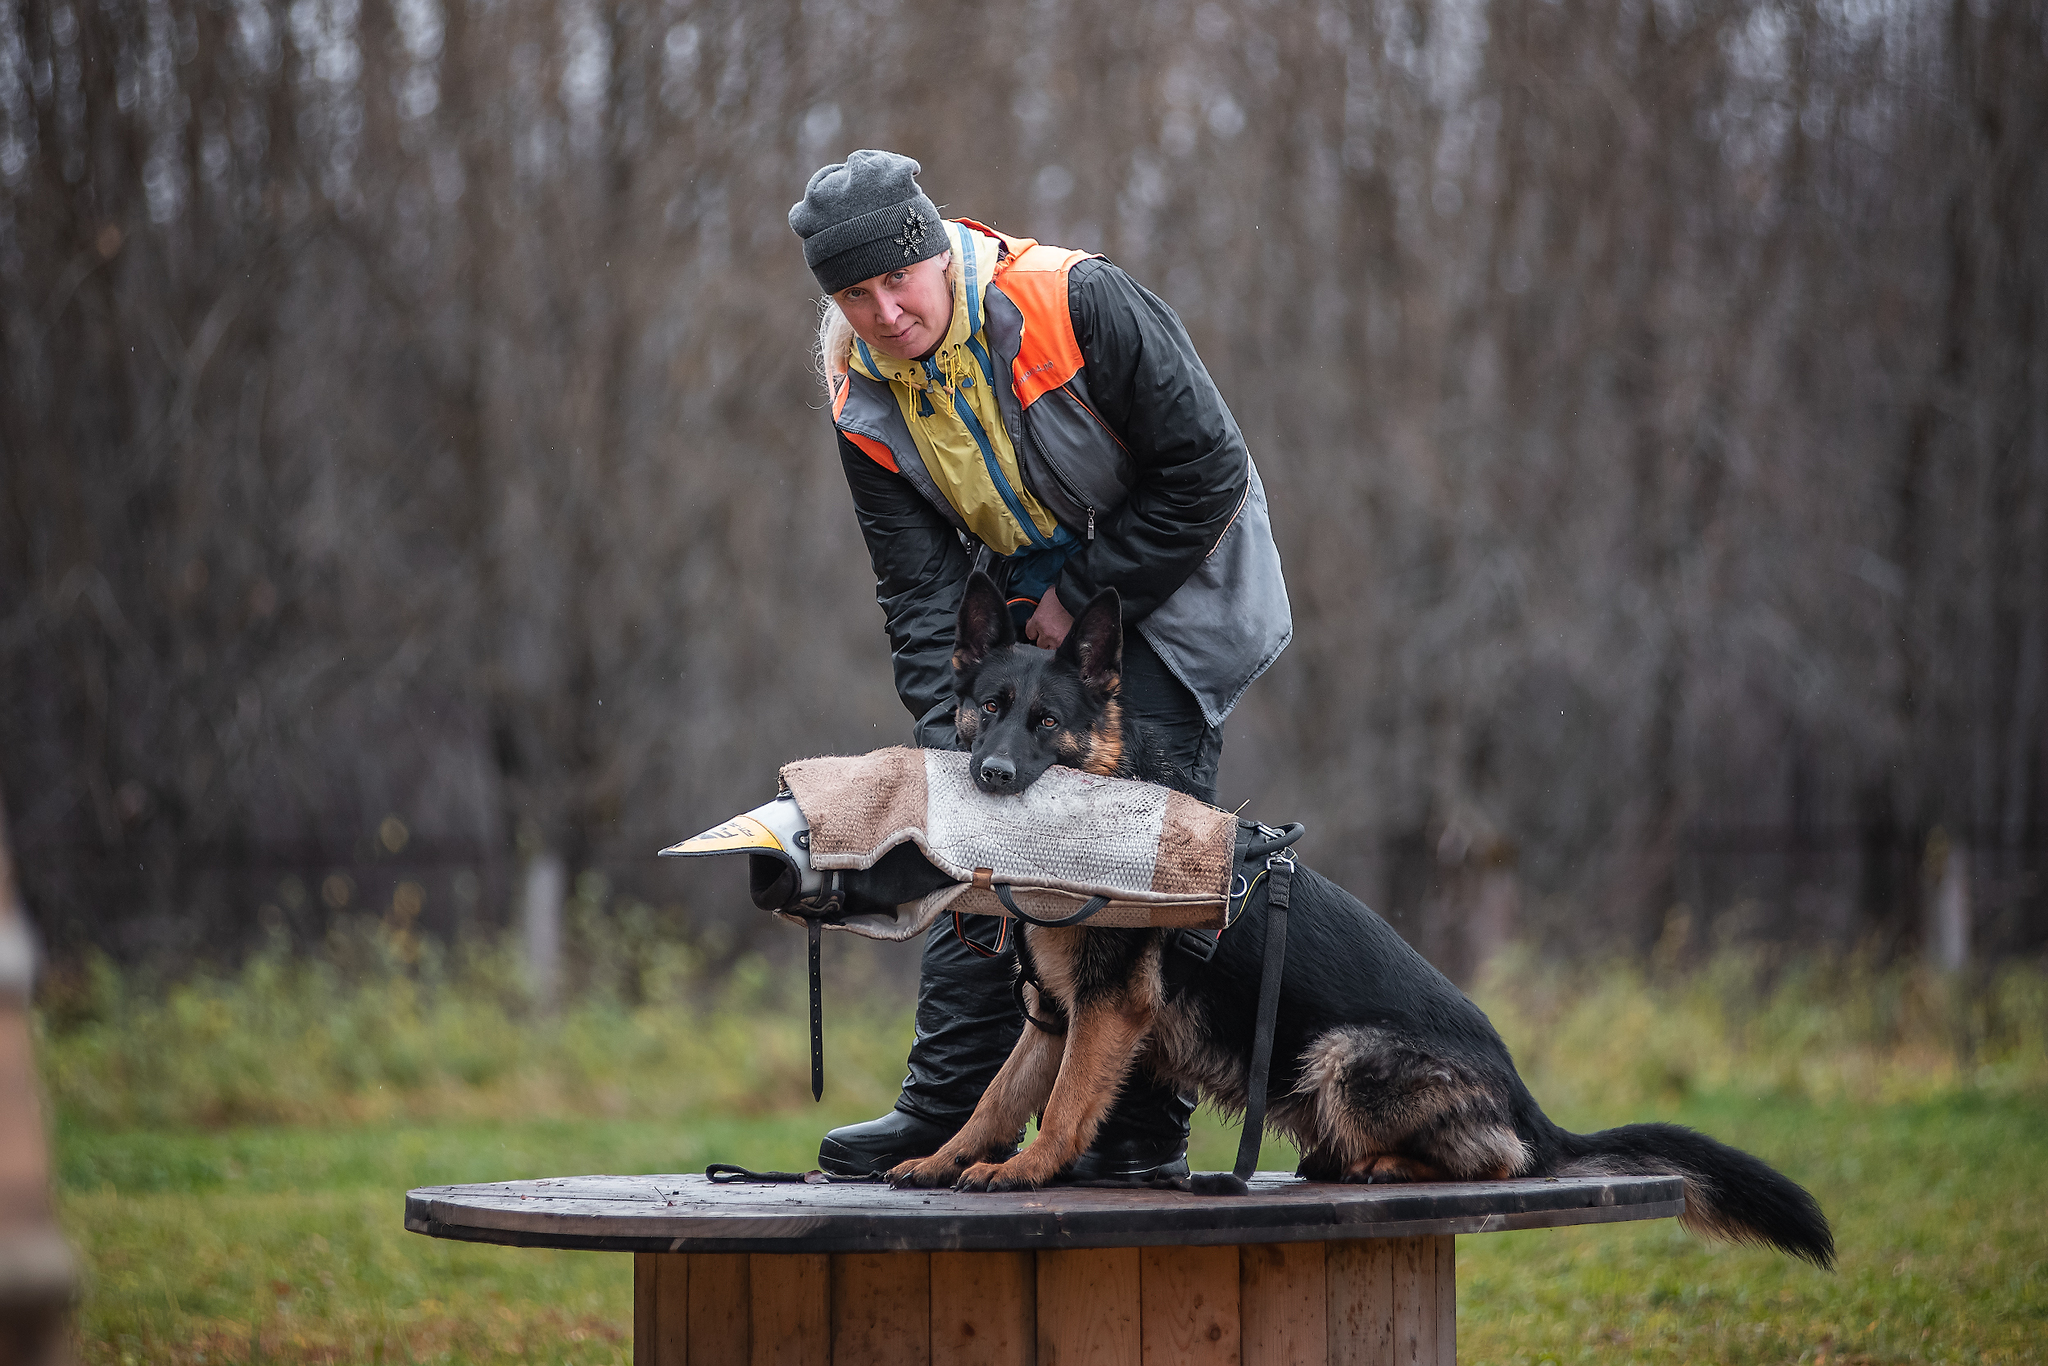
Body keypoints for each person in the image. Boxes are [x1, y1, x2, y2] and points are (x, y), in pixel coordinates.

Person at [789, 150, 1291, 1181]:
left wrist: (1072, 598)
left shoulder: (1076, 302)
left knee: (1130, 861)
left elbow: (1206, 471)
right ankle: (945, 1108)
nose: (884, 311)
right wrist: (951, 742)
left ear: (935, 249)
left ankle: (1137, 1138)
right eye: (854, 293)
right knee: (979, 822)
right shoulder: (859, 397)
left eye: (897, 279)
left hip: (1181, 584)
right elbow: (918, 595)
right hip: (1027, 624)